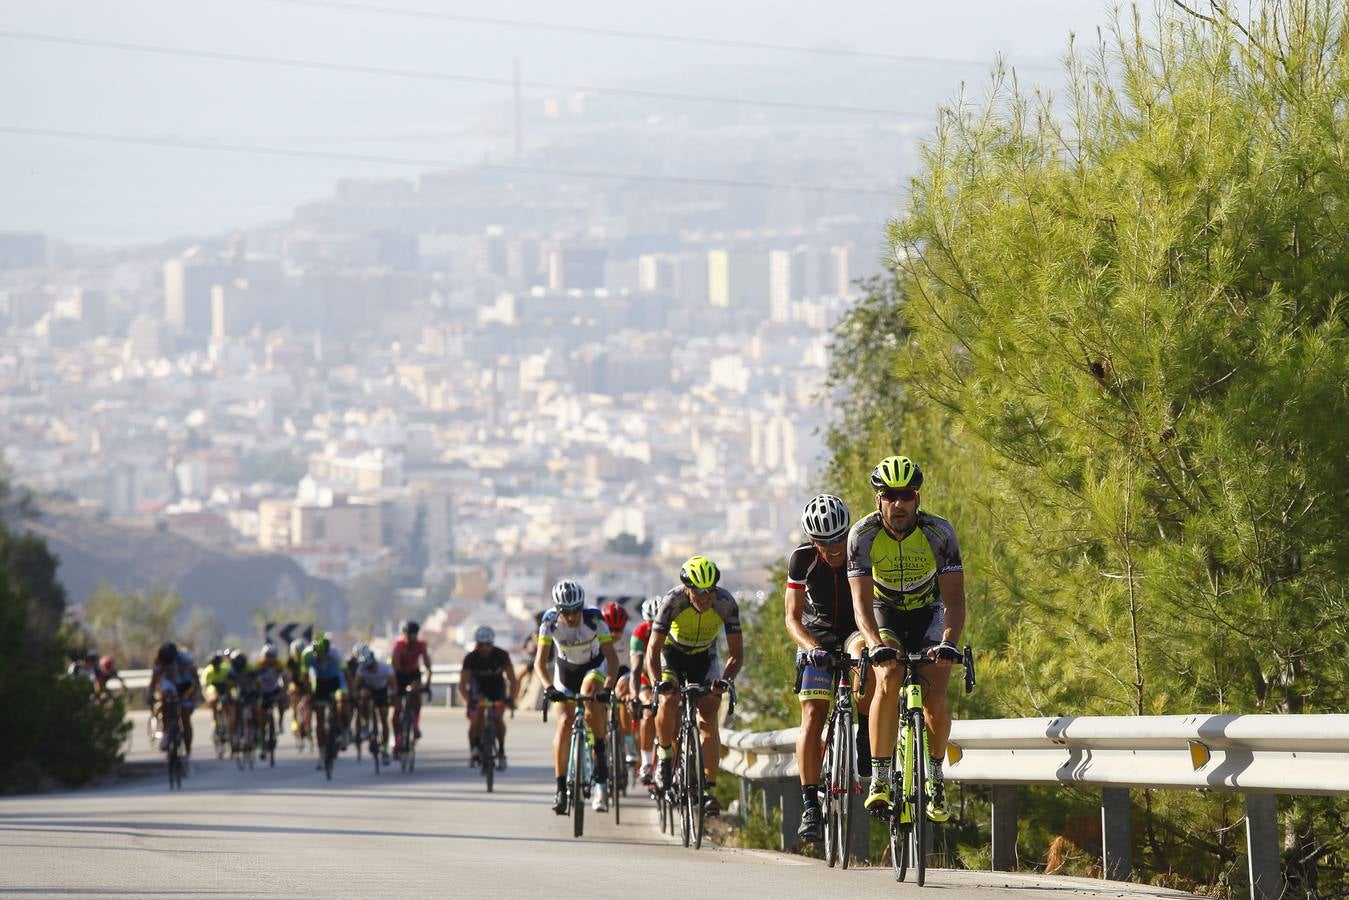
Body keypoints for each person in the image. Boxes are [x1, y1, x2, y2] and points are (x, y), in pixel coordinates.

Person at [850, 456, 965, 823]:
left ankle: (935, 777)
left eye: (907, 495)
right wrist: (873, 642)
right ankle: (880, 779)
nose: (898, 504)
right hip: (885, 612)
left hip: (928, 612)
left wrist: (948, 641)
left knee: (936, 694)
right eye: (890, 495)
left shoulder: (939, 533)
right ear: (878, 499)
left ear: (917, 498)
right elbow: (862, 604)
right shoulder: (862, 535)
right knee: (887, 677)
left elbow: (954, 601)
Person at [786, 494, 874, 844]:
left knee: (866, 658)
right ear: (812, 541)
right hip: (816, 636)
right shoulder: (801, 560)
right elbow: (792, 618)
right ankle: (810, 805)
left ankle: (866, 731)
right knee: (812, 716)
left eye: (839, 537)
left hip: (854, 630)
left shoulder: (860, 549)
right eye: (825, 541)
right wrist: (810, 648)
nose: (835, 547)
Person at [647, 555, 743, 817]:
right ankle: (666, 755)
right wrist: (659, 684)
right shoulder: (672, 602)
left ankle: (707, 790)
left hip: (704, 657)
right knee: (667, 701)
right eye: (699, 593)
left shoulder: (725, 603)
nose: (704, 598)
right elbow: (653, 651)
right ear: (687, 588)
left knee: (709, 718)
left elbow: (736, 654)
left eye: (709, 592)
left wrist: (725, 680)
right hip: (672, 655)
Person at [535, 580, 621, 814]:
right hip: (565, 671)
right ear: (558, 609)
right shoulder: (549, 621)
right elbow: (540, 663)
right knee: (564, 723)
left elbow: (612, 659)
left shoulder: (594, 619)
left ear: (582, 606)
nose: (572, 616)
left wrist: (609, 688)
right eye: (567, 611)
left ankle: (601, 765)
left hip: (592, 668)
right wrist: (548, 687)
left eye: (576, 610)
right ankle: (561, 788)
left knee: (590, 697)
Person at [459, 625, 518, 770]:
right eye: (481, 645)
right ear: (476, 644)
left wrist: (510, 698)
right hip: (478, 689)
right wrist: (469, 701)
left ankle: (502, 750)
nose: (485, 648)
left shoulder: (502, 655)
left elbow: (513, 680)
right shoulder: (470, 658)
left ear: (493, 643)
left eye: (488, 644)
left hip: (497, 689)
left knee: (498, 718)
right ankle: (475, 747)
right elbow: (462, 685)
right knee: (477, 715)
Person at [148, 641, 201, 766]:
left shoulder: (185, 659)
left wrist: (193, 698)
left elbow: (196, 681)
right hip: (170, 683)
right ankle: (167, 733)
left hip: (185, 683)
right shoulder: (159, 661)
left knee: (185, 717)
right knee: (166, 699)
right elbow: (153, 682)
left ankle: (188, 752)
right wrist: (150, 697)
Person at [600, 601, 636, 777]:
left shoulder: (629, 637)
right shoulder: (597, 636)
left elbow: (634, 666)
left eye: (619, 630)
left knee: (623, 699)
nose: (615, 634)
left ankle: (628, 741)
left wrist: (627, 681)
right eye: (611, 630)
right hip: (603, 673)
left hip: (623, 671)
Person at [628, 597, 661, 787]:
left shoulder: (673, 631)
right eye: (651, 623)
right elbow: (635, 668)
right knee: (648, 712)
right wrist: (634, 695)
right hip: (645, 680)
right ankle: (647, 763)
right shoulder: (640, 633)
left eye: (658, 623)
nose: (655, 627)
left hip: (667, 677)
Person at [304, 634, 350, 759]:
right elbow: (306, 677)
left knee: (342, 702)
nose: (320, 656)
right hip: (320, 682)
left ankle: (345, 730)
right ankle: (322, 751)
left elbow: (346, 673)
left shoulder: (335, 654)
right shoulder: (307, 656)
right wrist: (310, 694)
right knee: (319, 716)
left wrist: (350, 692)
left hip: (336, 680)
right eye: (317, 654)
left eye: (322, 653)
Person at [391, 621, 432, 757]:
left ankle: (415, 724)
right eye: (408, 635)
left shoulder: (421, 645)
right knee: (396, 710)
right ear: (404, 634)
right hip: (399, 674)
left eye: (414, 635)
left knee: (416, 695)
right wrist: (396, 688)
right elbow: (395, 666)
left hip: (413, 674)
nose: (411, 638)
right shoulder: (398, 645)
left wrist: (427, 684)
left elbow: (427, 666)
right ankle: (397, 741)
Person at [353, 647, 394, 765]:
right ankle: (366, 724)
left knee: (384, 719)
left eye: (371, 667)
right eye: (367, 668)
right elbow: (356, 687)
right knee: (364, 696)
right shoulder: (362, 669)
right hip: (369, 689)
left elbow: (393, 687)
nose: (369, 670)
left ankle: (385, 749)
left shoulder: (385, 668)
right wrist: (355, 696)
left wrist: (392, 695)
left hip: (382, 691)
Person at [254, 643, 289, 741]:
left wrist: (283, 692)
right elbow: (256, 682)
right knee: (262, 713)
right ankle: (261, 732)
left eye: (272, 656)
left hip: (274, 689)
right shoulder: (259, 665)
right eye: (268, 656)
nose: (270, 659)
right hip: (263, 690)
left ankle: (280, 722)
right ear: (264, 656)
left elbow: (285, 678)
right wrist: (258, 693)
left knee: (282, 701)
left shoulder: (279, 664)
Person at [285, 638, 312, 741]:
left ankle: (307, 723)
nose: (299, 655)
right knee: (295, 699)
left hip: (305, 684)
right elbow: (287, 677)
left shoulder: (307, 659)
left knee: (307, 702)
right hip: (295, 684)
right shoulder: (290, 662)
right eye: (297, 653)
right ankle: (295, 721)